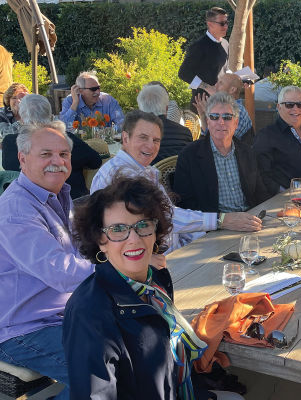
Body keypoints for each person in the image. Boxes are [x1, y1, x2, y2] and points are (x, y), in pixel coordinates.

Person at [64, 175, 244, 400]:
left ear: (155, 231)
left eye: (143, 225)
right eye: (118, 229)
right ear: (100, 239)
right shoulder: (89, 312)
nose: (134, 239)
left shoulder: (155, 282)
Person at [0, 121, 96, 399]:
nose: (58, 161)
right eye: (46, 154)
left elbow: (84, 250)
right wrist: (121, 268)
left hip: (63, 316)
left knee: (140, 342)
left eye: (64, 154)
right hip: (21, 330)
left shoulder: (56, 196)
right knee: (99, 372)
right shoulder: (17, 210)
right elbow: (61, 273)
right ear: (22, 158)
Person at [91, 110, 261, 253]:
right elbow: (167, 218)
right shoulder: (121, 174)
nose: (150, 146)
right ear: (125, 138)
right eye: (143, 137)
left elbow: (171, 218)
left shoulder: (141, 169)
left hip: (176, 250)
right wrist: (222, 220)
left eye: (156, 140)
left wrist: (209, 237)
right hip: (148, 260)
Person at [173, 92, 271, 214]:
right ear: (208, 121)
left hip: (249, 217)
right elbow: (185, 203)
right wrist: (220, 221)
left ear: (236, 123)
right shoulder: (189, 155)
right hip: (215, 225)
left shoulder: (247, 152)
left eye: (227, 117)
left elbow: (260, 193)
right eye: (214, 117)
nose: (221, 122)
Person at [2, 94, 102, 198]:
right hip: (73, 203)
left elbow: (7, 169)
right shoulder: (64, 139)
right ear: (50, 115)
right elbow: (96, 161)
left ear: (22, 118)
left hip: (26, 201)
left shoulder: (9, 142)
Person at [178, 7, 230, 109]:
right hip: (202, 104)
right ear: (210, 24)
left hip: (221, 102)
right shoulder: (199, 46)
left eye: (227, 22)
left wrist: (238, 80)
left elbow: (225, 69)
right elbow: (183, 73)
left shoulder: (225, 44)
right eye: (222, 23)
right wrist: (207, 87)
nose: (226, 26)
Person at [136, 83, 193, 164]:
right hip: (181, 175)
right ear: (167, 109)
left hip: (148, 176)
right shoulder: (185, 132)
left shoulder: (137, 136)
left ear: (141, 111)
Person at [194, 73, 254, 145]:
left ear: (232, 89)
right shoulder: (222, 107)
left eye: (221, 83)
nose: (215, 85)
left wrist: (207, 113)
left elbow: (220, 143)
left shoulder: (238, 111)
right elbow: (207, 138)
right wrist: (203, 115)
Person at [59, 70, 125, 131]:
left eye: (98, 88)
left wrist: (107, 132)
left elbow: (122, 124)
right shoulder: (70, 101)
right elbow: (63, 128)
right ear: (80, 90)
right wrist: (75, 103)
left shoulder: (108, 100)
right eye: (93, 89)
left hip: (104, 142)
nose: (97, 92)